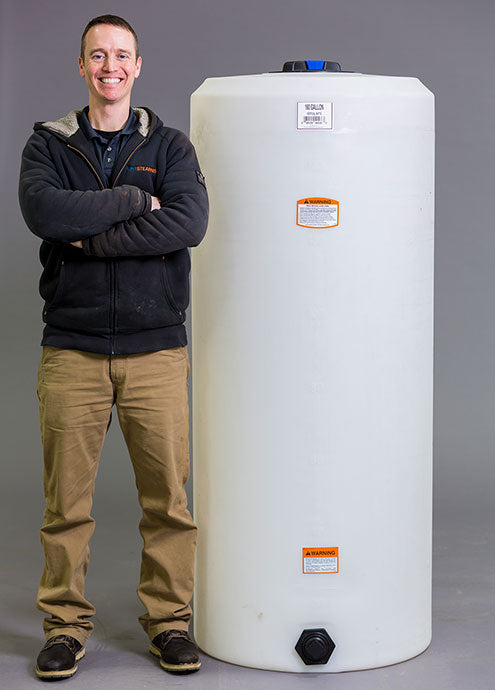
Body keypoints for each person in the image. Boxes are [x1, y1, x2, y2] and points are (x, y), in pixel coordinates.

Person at [18, 14, 208, 680]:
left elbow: (189, 223)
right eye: (97, 55)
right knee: (65, 506)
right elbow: (45, 214)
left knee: (168, 502)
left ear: (137, 65)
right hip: (71, 349)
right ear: (81, 67)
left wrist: (89, 231)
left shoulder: (173, 145)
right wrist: (133, 199)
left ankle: (169, 624)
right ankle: (65, 629)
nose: (109, 66)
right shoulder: (49, 143)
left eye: (121, 55)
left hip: (156, 350)